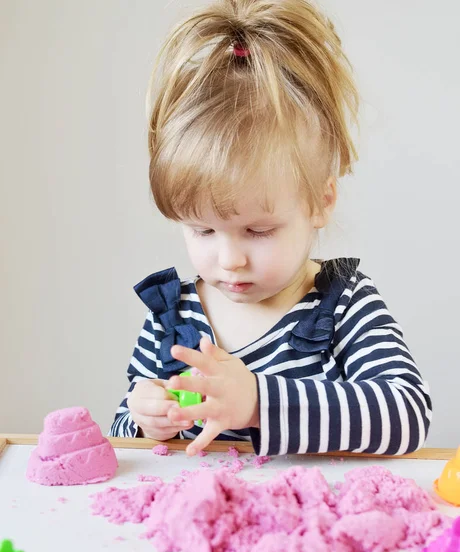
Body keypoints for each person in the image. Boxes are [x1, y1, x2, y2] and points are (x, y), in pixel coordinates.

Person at [109, 0, 431, 457]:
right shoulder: (171, 316)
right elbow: (123, 438)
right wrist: (145, 419)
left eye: (258, 231)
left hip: (312, 521)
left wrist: (259, 402)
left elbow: (406, 415)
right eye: (202, 231)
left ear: (321, 201)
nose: (229, 259)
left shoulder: (341, 303)